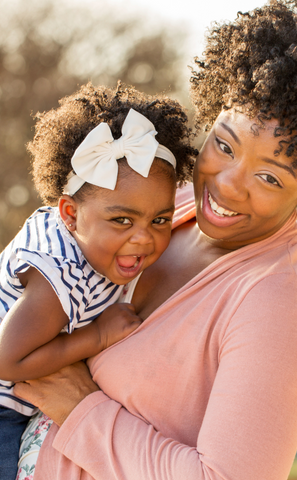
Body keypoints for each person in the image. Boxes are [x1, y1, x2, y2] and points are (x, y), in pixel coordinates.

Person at [15, 1, 297, 479]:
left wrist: (81, 408)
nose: (226, 185)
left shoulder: (278, 299)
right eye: (224, 145)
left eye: (270, 178)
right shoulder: (168, 205)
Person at [0, 82, 195, 480]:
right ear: (70, 214)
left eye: (159, 220)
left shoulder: (94, 246)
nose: (144, 237)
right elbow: (7, 360)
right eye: (122, 220)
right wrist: (99, 338)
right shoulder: (58, 274)